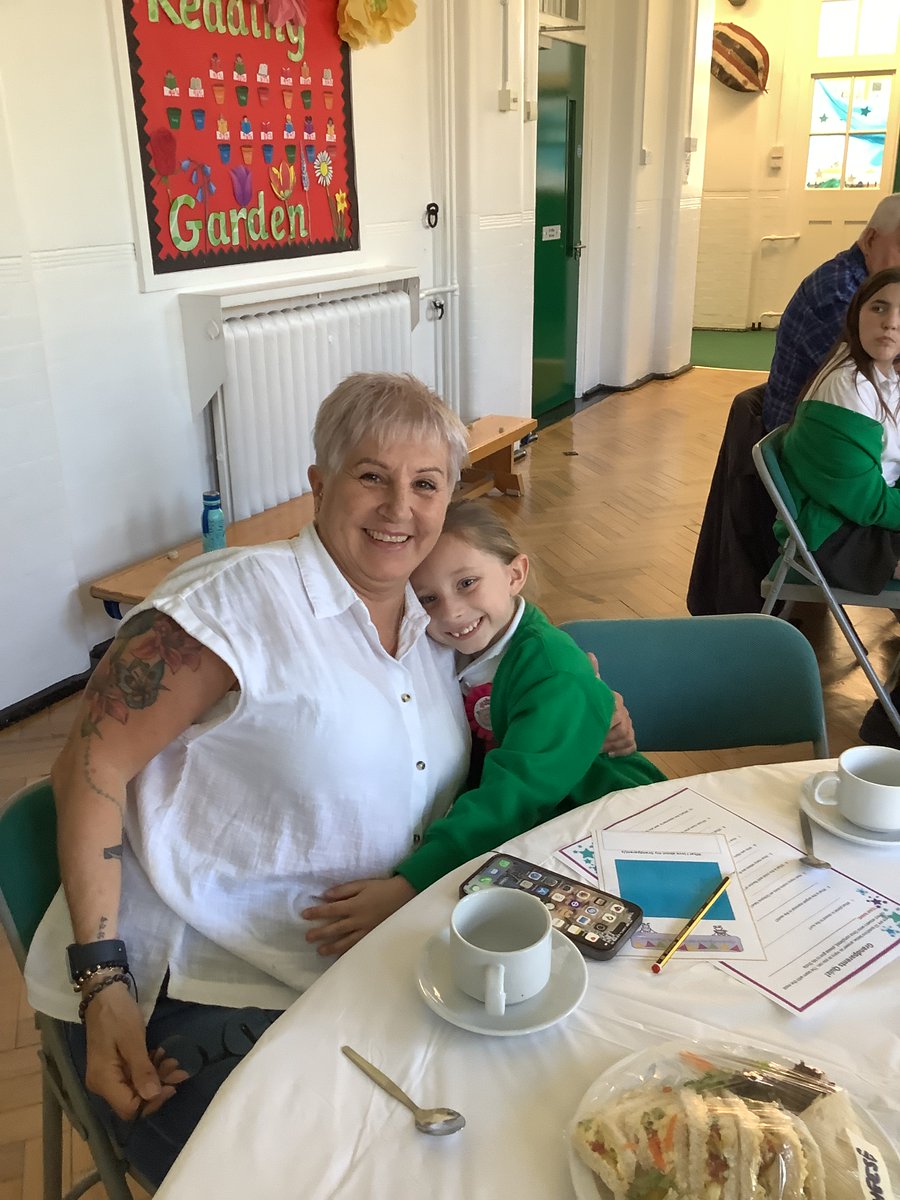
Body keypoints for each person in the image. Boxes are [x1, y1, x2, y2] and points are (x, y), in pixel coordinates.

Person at [23, 372, 636, 1183]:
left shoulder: (429, 621)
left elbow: (516, 665)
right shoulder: (234, 601)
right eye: (372, 476)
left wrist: (590, 700)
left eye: (426, 485)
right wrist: (103, 983)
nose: (399, 508)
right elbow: (91, 764)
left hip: (375, 968)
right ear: (320, 483)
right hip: (198, 984)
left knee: (518, 1138)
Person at [302, 501, 665, 955]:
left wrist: (411, 885)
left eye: (467, 583)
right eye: (427, 599)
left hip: (610, 827)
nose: (452, 612)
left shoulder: (552, 670)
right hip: (530, 832)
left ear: (515, 574)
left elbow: (516, 793)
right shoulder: (450, 651)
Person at [688, 194, 900, 617]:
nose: (890, 321)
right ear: (870, 239)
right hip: (824, 483)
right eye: (880, 309)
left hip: (842, 467)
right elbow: (863, 495)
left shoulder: (870, 295)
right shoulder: (841, 302)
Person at [776, 268, 900, 745]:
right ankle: (888, 727)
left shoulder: (884, 372)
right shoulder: (845, 389)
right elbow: (869, 504)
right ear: (857, 314)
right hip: (834, 535)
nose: (890, 322)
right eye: (879, 307)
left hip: (863, 518)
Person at [763, 192, 900, 432]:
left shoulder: (879, 289)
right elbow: (876, 376)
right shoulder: (838, 291)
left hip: (849, 420)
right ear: (870, 240)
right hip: (805, 436)